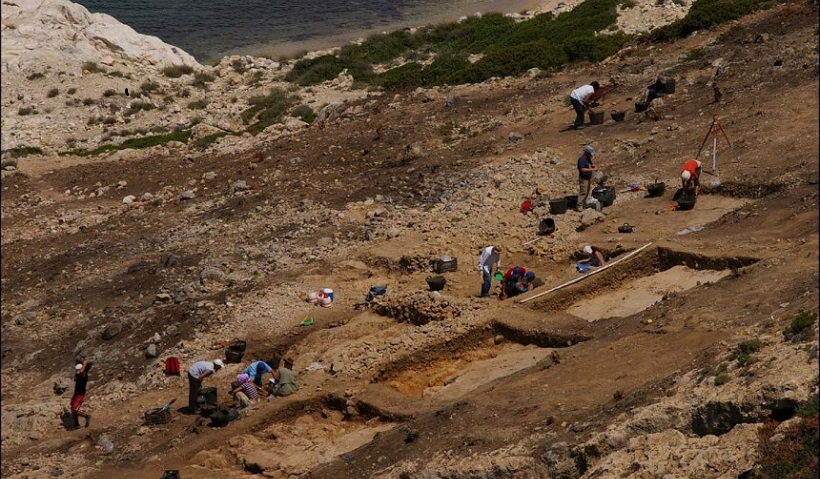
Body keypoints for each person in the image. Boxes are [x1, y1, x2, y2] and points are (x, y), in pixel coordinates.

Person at [576, 145, 601, 212]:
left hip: (588, 178)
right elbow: (582, 169)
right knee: (583, 192)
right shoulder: (581, 159)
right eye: (589, 154)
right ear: (586, 152)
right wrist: (592, 169)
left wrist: (594, 166)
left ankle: (584, 204)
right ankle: (579, 206)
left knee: (587, 191)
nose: (590, 155)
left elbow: (591, 164)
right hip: (583, 178)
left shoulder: (588, 158)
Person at [69, 360, 92, 430]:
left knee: (74, 409)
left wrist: (83, 366)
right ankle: (77, 424)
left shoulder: (84, 375)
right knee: (72, 409)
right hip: (76, 393)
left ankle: (85, 417)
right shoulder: (79, 374)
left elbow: (85, 363)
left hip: (80, 395)